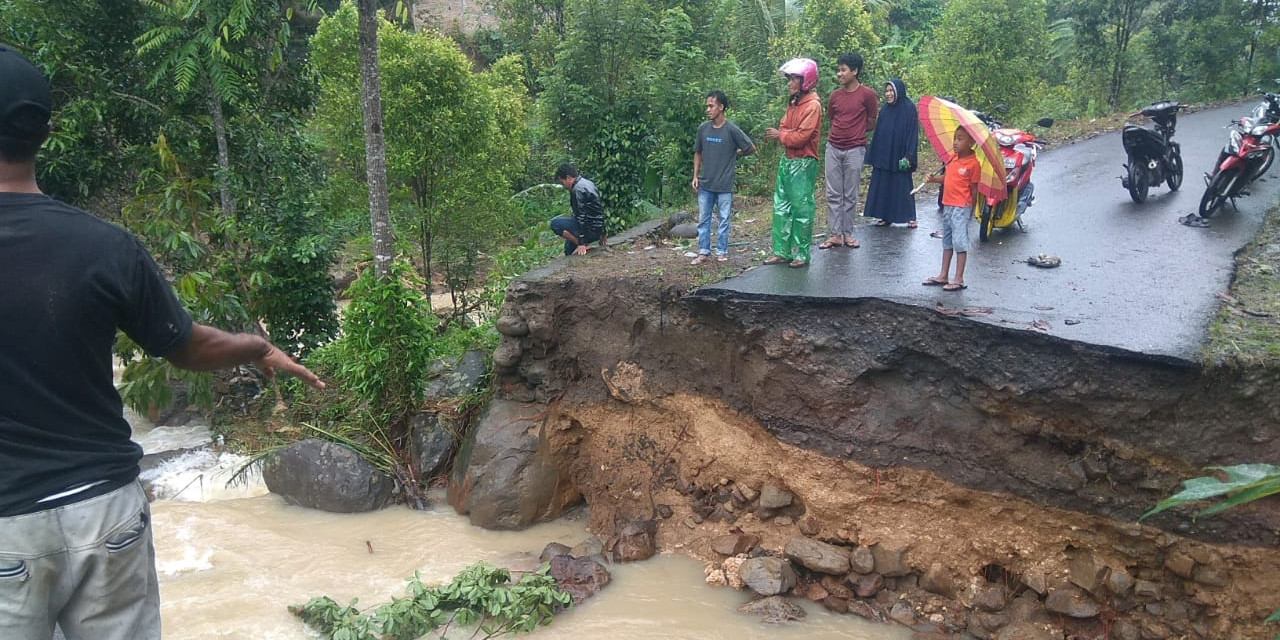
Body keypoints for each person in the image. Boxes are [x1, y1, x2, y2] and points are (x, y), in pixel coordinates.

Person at [0, 44, 325, 640]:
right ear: (43, 133)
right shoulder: (105, 245)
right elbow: (189, 348)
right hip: (106, 509)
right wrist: (256, 346)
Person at [764, 58, 823, 268]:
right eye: (789, 79)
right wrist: (786, 133)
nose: (790, 84)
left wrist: (782, 134)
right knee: (781, 207)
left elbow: (801, 137)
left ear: (805, 81)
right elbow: (786, 127)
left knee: (801, 209)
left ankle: (802, 253)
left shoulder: (813, 106)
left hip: (803, 162)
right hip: (788, 161)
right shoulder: (794, 103)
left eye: (794, 79)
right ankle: (781, 251)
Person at [818, 52, 878, 250]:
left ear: (855, 71)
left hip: (855, 149)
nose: (839, 74)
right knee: (833, 193)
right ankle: (835, 234)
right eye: (839, 70)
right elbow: (832, 118)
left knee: (850, 193)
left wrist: (857, 132)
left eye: (843, 70)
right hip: (833, 147)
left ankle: (848, 233)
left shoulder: (867, 95)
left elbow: (871, 121)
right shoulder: (835, 96)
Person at [691, 90, 756, 265]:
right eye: (707, 106)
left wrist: (737, 154)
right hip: (706, 182)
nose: (708, 110)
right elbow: (698, 152)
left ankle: (722, 250)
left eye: (711, 106)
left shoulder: (732, 130)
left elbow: (751, 147)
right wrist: (695, 176)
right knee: (703, 219)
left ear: (721, 107)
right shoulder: (703, 129)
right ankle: (704, 251)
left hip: (724, 184)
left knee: (724, 219)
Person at [922, 126, 980, 291]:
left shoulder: (973, 164)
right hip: (948, 205)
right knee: (947, 241)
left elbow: (974, 189)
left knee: (959, 242)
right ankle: (943, 275)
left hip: (962, 207)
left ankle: (959, 278)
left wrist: (972, 209)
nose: (955, 142)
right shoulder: (952, 159)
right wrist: (933, 179)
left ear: (971, 143)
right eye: (955, 138)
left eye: (960, 139)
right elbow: (946, 179)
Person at [863, 78, 919, 228]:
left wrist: (909, 155)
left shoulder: (909, 108)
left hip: (900, 154)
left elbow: (913, 133)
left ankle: (909, 217)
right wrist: (875, 154)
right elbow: (879, 133)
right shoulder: (885, 110)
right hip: (885, 154)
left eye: (891, 90)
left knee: (902, 185)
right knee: (883, 184)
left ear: (898, 91)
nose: (888, 94)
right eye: (886, 91)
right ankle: (885, 216)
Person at [551, 163, 607, 256]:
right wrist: (603, 232)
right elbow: (599, 209)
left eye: (562, 182)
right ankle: (574, 250)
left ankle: (585, 245)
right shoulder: (589, 183)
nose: (563, 186)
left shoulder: (577, 190)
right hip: (597, 229)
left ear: (568, 177)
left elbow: (582, 217)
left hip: (590, 229)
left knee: (555, 223)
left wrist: (581, 243)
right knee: (568, 248)